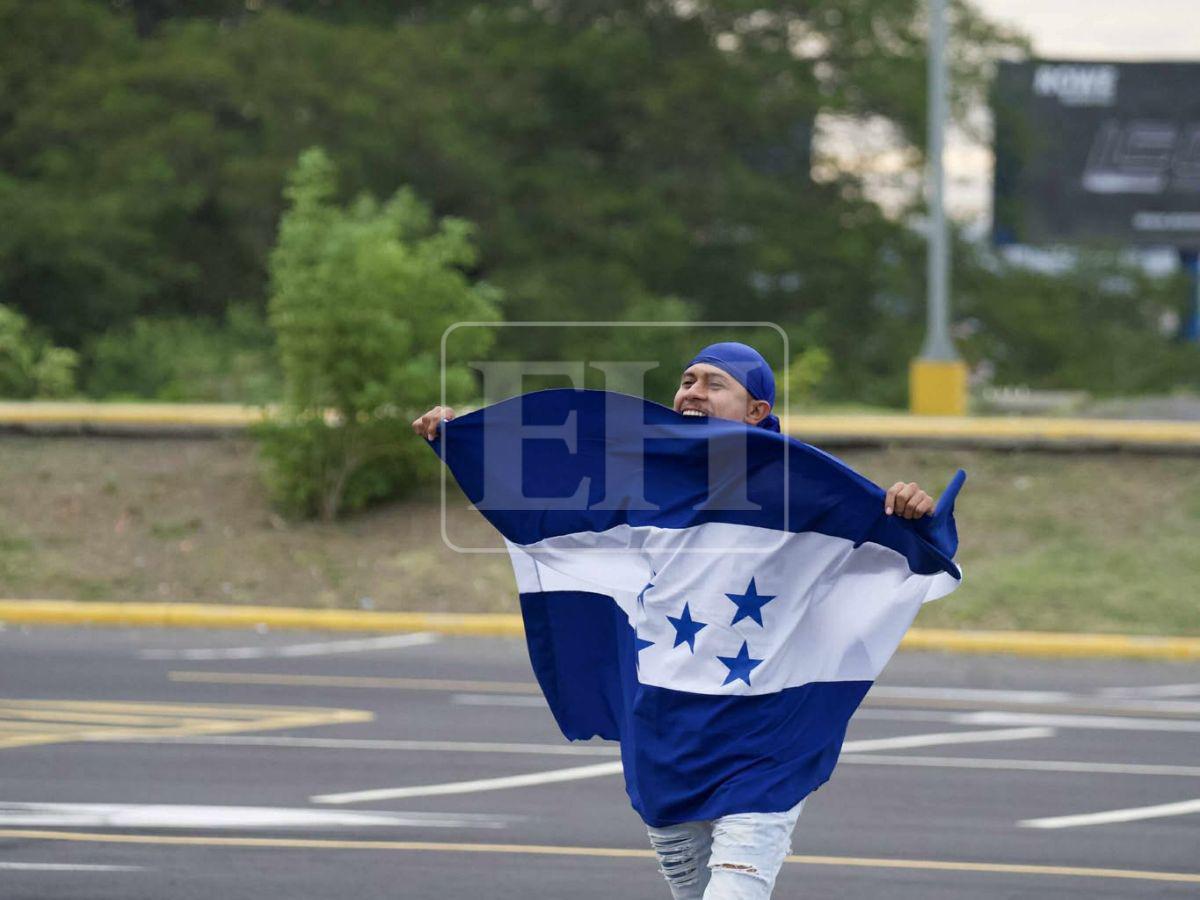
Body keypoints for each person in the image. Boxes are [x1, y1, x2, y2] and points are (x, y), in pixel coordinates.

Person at [412, 342, 936, 899]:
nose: (693, 391)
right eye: (688, 380)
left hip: (765, 739)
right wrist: (463, 440)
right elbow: (539, 491)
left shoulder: (803, 486)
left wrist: (913, 512)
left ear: (757, 410)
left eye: (715, 383)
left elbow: (893, 544)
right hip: (666, 734)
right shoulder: (640, 475)